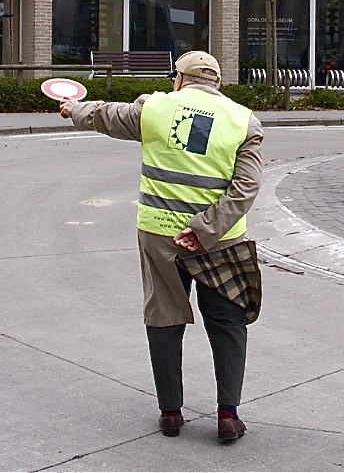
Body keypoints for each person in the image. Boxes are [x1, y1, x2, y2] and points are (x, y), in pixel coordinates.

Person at [59, 51, 263, 442]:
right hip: (221, 240)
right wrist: (204, 229)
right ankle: (227, 415)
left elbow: (105, 114)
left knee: (164, 316)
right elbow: (246, 186)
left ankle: (170, 413)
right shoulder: (244, 120)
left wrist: (74, 108)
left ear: (180, 79)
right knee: (227, 322)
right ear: (217, 82)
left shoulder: (154, 108)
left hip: (159, 235)